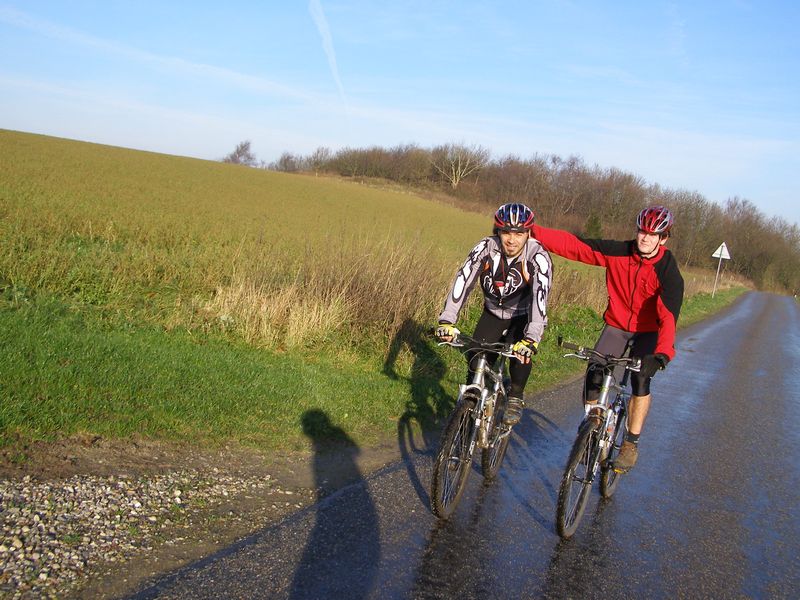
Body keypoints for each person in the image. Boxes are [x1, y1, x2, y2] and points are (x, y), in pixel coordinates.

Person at [532, 205, 684, 472]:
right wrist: (530, 230)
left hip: (647, 332)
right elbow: (576, 246)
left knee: (640, 380)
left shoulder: (668, 271)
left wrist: (661, 355)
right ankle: (595, 423)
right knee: (595, 373)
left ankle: (630, 443)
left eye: (652, 234)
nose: (644, 238)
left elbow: (668, 317)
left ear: (664, 238)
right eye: (641, 231)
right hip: (616, 325)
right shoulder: (620, 252)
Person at [435, 202, 553, 426]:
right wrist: (447, 320)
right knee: (476, 355)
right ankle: (469, 409)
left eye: (519, 233)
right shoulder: (486, 247)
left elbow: (540, 297)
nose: (512, 239)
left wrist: (532, 338)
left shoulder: (538, 256)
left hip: (522, 317)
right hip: (492, 313)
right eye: (506, 232)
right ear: (497, 230)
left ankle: (515, 396)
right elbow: (464, 279)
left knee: (519, 356)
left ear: (528, 233)